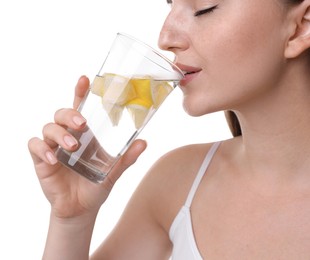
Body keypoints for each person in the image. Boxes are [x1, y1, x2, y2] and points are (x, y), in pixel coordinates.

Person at [28, 0, 310, 258]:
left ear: (300, 27)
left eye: (204, 7)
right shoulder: (178, 184)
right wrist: (72, 219)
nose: (165, 39)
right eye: (171, 3)